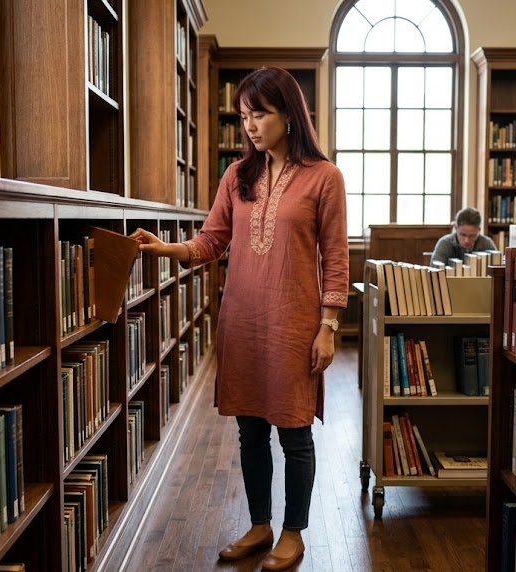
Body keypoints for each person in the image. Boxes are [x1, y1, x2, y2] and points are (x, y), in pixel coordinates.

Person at [129, 66, 348, 571]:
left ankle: (293, 532)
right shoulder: (237, 176)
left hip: (295, 321)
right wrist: (167, 248)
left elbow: (336, 259)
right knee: (250, 431)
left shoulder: (325, 177)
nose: (250, 125)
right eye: (244, 115)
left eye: (261, 114)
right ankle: (260, 523)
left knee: (293, 430)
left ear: (289, 115)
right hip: (243, 319)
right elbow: (212, 241)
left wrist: (328, 326)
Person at [429, 206, 497, 267]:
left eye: (472, 236)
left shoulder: (486, 243)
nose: (466, 240)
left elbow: (497, 270)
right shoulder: (445, 243)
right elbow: (435, 271)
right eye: (463, 235)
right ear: (455, 228)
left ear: (479, 230)